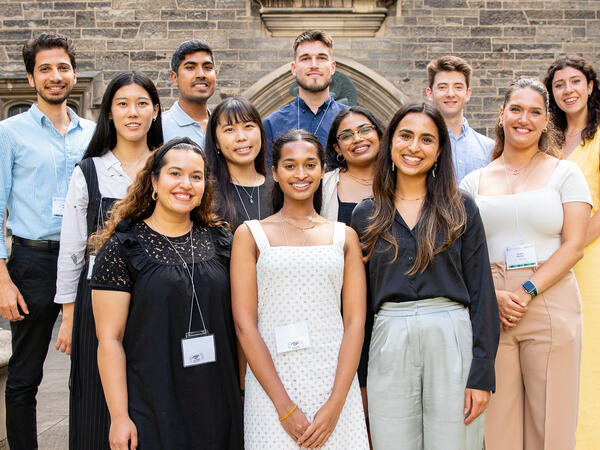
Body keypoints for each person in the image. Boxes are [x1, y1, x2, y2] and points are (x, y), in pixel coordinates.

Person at [352, 102, 498, 450]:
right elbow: (358, 307)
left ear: (439, 151)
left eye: (426, 139)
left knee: (454, 442)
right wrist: (360, 379)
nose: (414, 147)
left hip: (450, 334)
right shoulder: (366, 214)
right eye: (405, 136)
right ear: (390, 144)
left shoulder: (461, 208)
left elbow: (482, 293)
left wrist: (482, 373)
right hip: (388, 337)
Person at [460, 78, 592, 450]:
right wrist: (496, 296)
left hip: (549, 296)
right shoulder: (473, 181)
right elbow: (466, 252)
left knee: (551, 420)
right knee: (497, 424)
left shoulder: (565, 173)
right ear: (501, 114)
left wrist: (526, 290)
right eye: (516, 109)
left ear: (546, 119)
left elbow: (574, 245)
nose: (524, 118)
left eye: (535, 112)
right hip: (493, 302)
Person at [90, 138, 243, 450]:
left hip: (217, 397)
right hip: (153, 401)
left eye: (196, 176)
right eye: (175, 173)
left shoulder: (224, 242)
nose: (185, 184)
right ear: (154, 182)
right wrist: (119, 417)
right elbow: (109, 340)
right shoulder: (122, 248)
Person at [231, 129, 369, 449]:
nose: (301, 174)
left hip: (334, 384)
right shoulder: (250, 235)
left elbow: (355, 324)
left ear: (323, 170)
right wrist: (285, 408)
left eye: (310, 164)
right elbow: (244, 325)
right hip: (271, 390)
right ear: (275, 173)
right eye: (290, 165)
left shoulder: (344, 236)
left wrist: (336, 405)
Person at [54, 71, 162, 449]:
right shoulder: (89, 172)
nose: (132, 113)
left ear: (155, 110)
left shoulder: (169, 167)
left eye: (141, 104)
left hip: (156, 300)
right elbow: (72, 250)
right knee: (96, 399)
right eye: (122, 104)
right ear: (109, 114)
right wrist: (68, 317)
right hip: (98, 303)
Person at [0, 33, 95, 450]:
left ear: (73, 72)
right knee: (25, 374)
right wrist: (2, 279)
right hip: (32, 262)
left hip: (87, 259)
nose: (55, 76)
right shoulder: (9, 132)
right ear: (31, 77)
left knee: (95, 365)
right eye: (45, 69)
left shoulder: (94, 133)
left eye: (62, 68)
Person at [544, 55, 600, 449]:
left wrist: (573, 246)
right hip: (552, 260)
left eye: (575, 81)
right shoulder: (548, 140)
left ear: (591, 86)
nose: (568, 90)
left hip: (590, 257)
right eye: (559, 84)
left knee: (590, 353)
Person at [262, 30, 348, 166]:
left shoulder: (350, 121)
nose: (314, 65)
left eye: (321, 58)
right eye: (305, 58)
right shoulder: (272, 124)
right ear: (293, 68)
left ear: (332, 67)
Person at [205, 97, 273, 230]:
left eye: (248, 126)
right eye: (229, 129)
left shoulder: (280, 189)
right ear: (216, 142)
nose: (241, 137)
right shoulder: (207, 194)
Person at [426, 55, 494, 182]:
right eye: (442, 87)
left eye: (458, 87)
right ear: (430, 93)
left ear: (467, 94)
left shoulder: (489, 148)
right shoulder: (419, 146)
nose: (450, 94)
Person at [321, 105, 384, 225]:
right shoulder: (323, 186)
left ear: (379, 136)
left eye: (365, 130)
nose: (357, 139)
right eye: (346, 136)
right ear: (337, 148)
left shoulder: (399, 181)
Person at [162, 39, 216, 147]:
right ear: (175, 77)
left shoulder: (223, 125)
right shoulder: (159, 127)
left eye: (207, 67)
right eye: (190, 68)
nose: (201, 74)